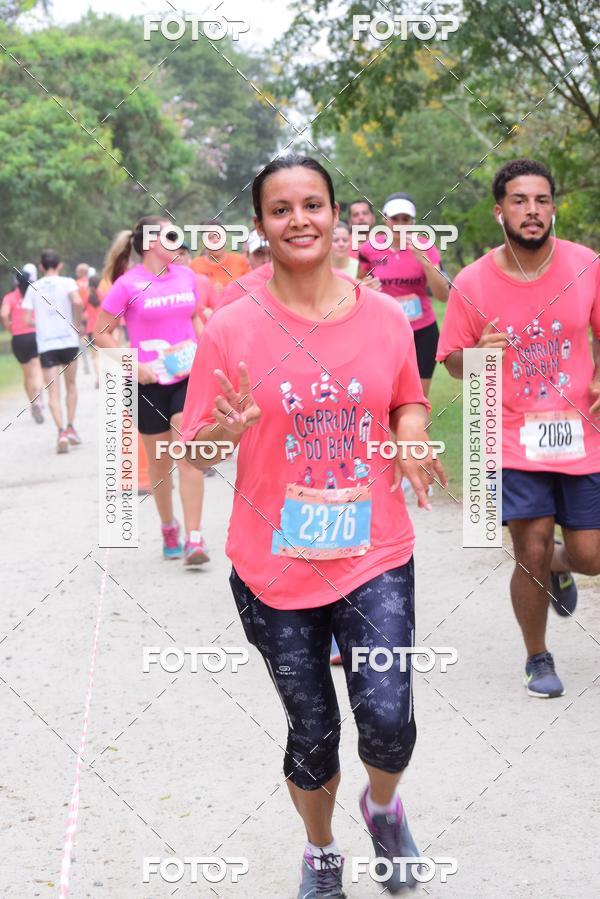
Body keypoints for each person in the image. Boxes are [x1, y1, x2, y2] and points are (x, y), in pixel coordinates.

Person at [181, 155, 446, 897]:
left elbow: (406, 397)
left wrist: (416, 432)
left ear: (336, 216)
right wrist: (221, 434)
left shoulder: (384, 315)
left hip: (375, 551)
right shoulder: (231, 329)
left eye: (312, 204)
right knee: (314, 731)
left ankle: (384, 807)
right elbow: (195, 455)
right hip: (274, 565)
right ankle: (322, 851)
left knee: (388, 719)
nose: (299, 219)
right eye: (281, 208)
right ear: (261, 226)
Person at [437, 157, 600, 698]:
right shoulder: (472, 281)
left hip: (580, 435)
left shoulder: (586, 265)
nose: (532, 211)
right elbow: (452, 363)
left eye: (541, 200)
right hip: (507, 434)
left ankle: (563, 563)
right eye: (519, 201)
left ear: (553, 207)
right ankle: (538, 656)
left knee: (590, 556)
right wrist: (476, 355)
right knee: (528, 545)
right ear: (499, 210)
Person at [93, 216, 210, 565]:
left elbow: (193, 319)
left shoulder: (187, 276)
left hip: (187, 379)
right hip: (147, 384)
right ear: (148, 245)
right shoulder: (127, 285)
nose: (177, 240)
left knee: (188, 455)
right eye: (169, 235)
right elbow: (101, 333)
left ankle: (195, 538)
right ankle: (168, 526)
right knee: (159, 466)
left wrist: (203, 347)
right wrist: (133, 366)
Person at [358, 193, 450, 396]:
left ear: (413, 222)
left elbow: (443, 295)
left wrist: (424, 261)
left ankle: (417, 429)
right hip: (385, 331)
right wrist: (366, 287)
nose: (400, 224)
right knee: (386, 397)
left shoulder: (425, 246)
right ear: (385, 220)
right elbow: (359, 287)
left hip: (423, 331)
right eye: (395, 219)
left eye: (405, 219)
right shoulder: (369, 248)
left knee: (418, 399)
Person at [22, 251, 83, 453]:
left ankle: (61, 431)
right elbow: (77, 301)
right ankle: (72, 427)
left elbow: (27, 319)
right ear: (60, 265)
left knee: (53, 393)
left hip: (47, 344)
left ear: (41, 267)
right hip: (68, 340)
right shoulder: (68, 282)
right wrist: (76, 322)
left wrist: (41, 322)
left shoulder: (33, 287)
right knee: (71, 385)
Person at [1, 264, 44, 422]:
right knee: (37, 370)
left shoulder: (9, 297)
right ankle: (39, 399)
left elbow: (4, 315)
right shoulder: (34, 294)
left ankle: (33, 402)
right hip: (34, 336)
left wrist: (10, 327)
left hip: (18, 339)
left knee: (27, 375)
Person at [190, 220, 250, 298]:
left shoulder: (240, 260)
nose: (216, 240)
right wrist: (211, 292)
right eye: (211, 237)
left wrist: (228, 291)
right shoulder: (195, 265)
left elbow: (251, 289)